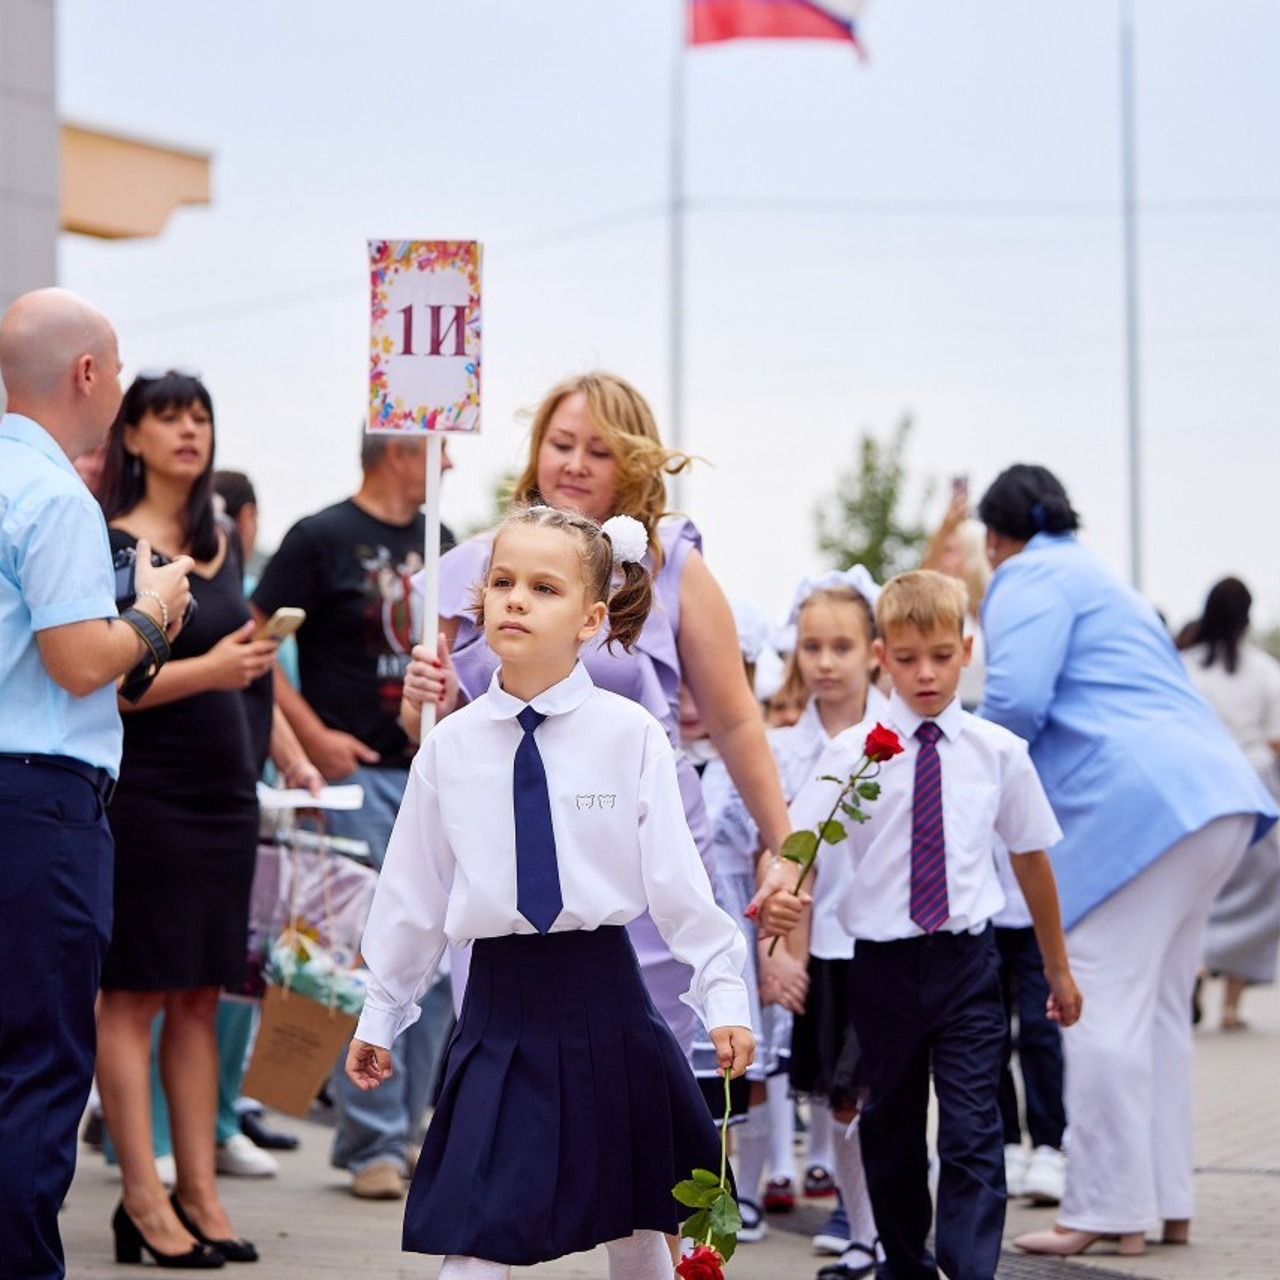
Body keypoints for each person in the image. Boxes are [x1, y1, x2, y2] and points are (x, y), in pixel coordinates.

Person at [345, 504, 755, 1279]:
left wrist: (723, 993)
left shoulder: (630, 735)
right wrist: (382, 1009)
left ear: (591, 618)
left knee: (637, 1223)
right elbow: (413, 894)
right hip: (497, 1010)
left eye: (542, 587)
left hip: (609, 1002)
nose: (515, 599)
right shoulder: (449, 747)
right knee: (474, 1231)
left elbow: (678, 882)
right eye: (501, 582)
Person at [403, 372, 792, 1059]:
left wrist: (787, 847)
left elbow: (734, 722)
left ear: (634, 465)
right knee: (514, 1073)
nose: (576, 463)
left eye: (600, 450)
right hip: (509, 864)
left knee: (648, 1083)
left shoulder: (674, 567)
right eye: (561, 443)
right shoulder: (472, 568)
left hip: (643, 857)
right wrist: (421, 707)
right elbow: (439, 738)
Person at [972, 464, 1276, 1257]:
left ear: (995, 537)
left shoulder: (1025, 575)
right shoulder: (1102, 576)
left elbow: (1016, 701)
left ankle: (1106, 1210)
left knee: (1098, 1001)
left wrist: (964, 778)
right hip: (1214, 797)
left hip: (1142, 807)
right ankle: (1167, 1201)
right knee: (1163, 1013)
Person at [761, 569, 1082, 1280]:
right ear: (882, 656)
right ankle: (904, 1264)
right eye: (906, 659)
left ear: (966, 650)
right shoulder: (850, 757)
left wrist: (1057, 967)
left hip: (969, 966)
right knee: (894, 1134)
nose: (926, 673)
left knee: (974, 1132)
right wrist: (781, 902)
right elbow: (799, 850)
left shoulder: (998, 754)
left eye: (940, 655)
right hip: (881, 969)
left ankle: (971, 1270)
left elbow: (1031, 863)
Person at [94, 370, 318, 1267]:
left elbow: (240, 660)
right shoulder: (115, 543)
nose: (188, 430)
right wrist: (213, 669)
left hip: (228, 796)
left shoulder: (219, 536)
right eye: (166, 416)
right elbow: (108, 682)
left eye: (200, 415)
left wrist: (271, 706)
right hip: (148, 795)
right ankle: (141, 1197)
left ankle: (201, 1194)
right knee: (134, 993)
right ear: (133, 436)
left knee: (199, 996)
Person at [0, 289, 192, 1279]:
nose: (118, 387)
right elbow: (80, 661)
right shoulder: (53, 494)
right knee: (35, 1065)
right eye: (115, 369)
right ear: (86, 374)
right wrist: (155, 609)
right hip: (36, 801)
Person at [251, 432, 456, 1199]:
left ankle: (403, 1134)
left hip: (429, 775)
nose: (452, 465)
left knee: (434, 963)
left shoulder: (446, 543)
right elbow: (254, 638)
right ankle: (368, 1139)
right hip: (354, 779)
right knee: (372, 953)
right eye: (439, 450)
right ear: (400, 451)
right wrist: (310, 735)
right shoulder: (320, 538)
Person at [1178, 576, 1280, 1031]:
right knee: (1256, 895)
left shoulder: (1185, 666)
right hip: (1255, 788)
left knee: (1197, 886)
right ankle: (1232, 1006)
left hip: (1198, 784)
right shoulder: (1264, 671)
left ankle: (1196, 962)